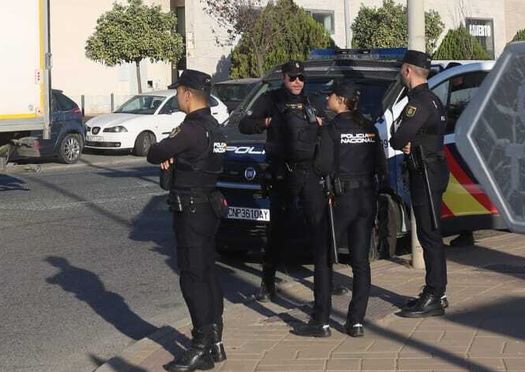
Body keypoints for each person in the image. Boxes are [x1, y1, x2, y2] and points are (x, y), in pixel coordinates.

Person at [147, 68, 229, 371]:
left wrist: (170, 154)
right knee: (208, 274)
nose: (176, 97)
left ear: (187, 94)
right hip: (208, 206)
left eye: (177, 92)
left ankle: (200, 346)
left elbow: (155, 152)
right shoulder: (215, 127)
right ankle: (216, 341)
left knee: (192, 278)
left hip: (191, 209)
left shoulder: (192, 128)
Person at [294, 80, 386, 337]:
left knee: (323, 258)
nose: (327, 100)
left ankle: (321, 321)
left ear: (341, 100)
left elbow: (322, 167)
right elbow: (381, 165)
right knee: (360, 262)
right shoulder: (369, 128)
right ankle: (356, 321)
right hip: (366, 198)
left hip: (341, 200)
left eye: (330, 95)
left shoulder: (332, 129)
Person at [237, 59, 324, 302]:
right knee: (277, 230)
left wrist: (321, 122)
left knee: (318, 228)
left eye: (301, 78)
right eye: (292, 77)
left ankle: (325, 280)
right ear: (283, 78)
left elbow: (330, 125)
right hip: (283, 172)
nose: (297, 82)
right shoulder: (272, 99)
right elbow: (244, 124)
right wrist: (266, 122)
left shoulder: (312, 100)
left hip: (310, 172)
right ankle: (267, 282)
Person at [386, 50, 450, 318]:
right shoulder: (432, 99)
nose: (401, 72)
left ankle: (435, 293)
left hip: (424, 173)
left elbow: (398, 138)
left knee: (428, 234)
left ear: (408, 71)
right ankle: (436, 292)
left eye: (402, 68)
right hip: (431, 170)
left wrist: (403, 138)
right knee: (429, 232)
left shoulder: (419, 103)